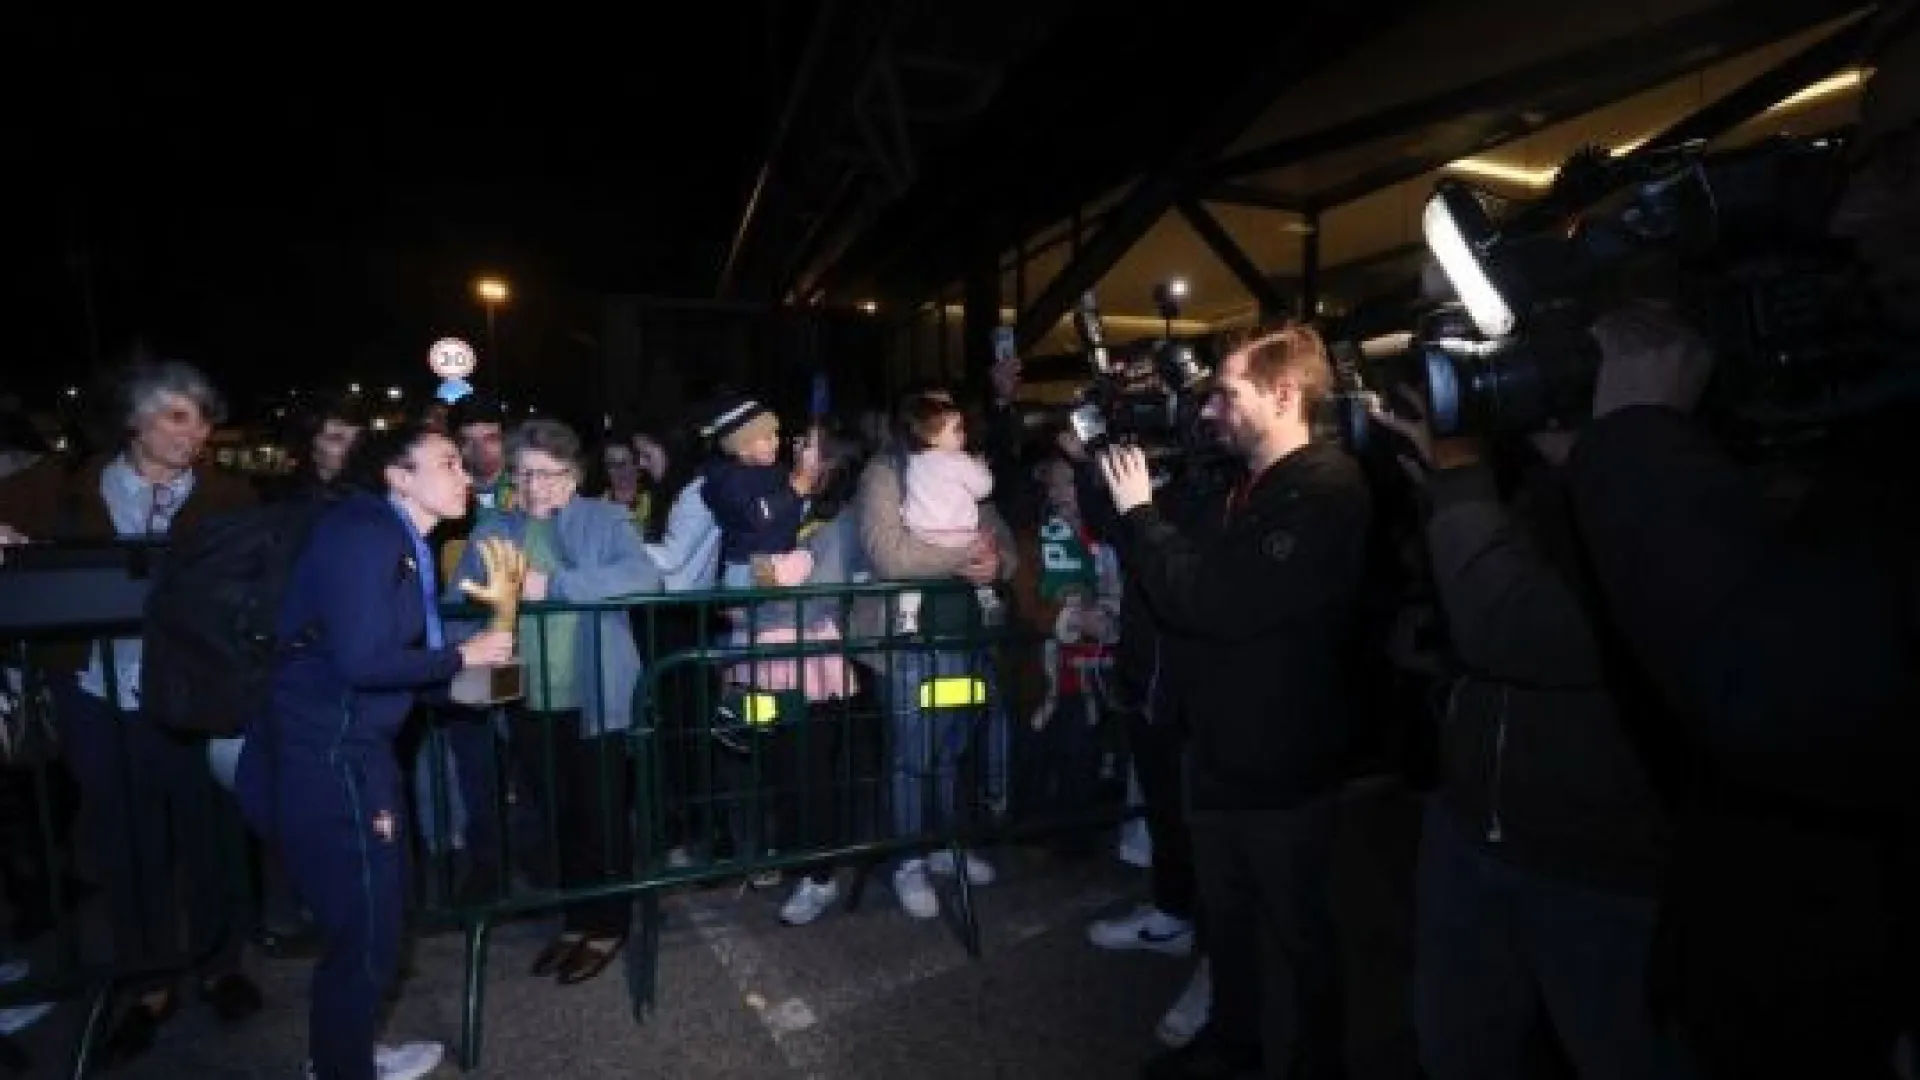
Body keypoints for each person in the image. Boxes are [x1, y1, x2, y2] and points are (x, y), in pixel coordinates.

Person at [1098, 324, 1371, 1080]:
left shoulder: (1324, 492)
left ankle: (1317, 1062)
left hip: (1283, 760)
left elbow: (1213, 601)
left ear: (1285, 395)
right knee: (1228, 921)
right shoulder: (1241, 483)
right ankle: (1234, 1042)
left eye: (1229, 392)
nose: (1212, 408)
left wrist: (1141, 515)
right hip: (1218, 751)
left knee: (1298, 932)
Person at [235, 422, 514, 1080]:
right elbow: (364, 661)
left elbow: (413, 672)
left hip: (346, 749)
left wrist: (494, 643)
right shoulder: (366, 535)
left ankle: (343, 1053)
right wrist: (464, 654)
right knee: (367, 930)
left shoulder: (394, 539)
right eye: (447, 461)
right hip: (330, 757)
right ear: (397, 474)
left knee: (369, 923)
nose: (465, 473)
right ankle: (340, 1066)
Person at [895, 393, 997, 633]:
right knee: (981, 556)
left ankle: (908, 616)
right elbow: (984, 488)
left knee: (914, 578)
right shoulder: (959, 460)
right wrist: (981, 467)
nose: (963, 434)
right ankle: (988, 600)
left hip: (922, 535)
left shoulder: (914, 462)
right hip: (959, 534)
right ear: (932, 436)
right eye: (956, 429)